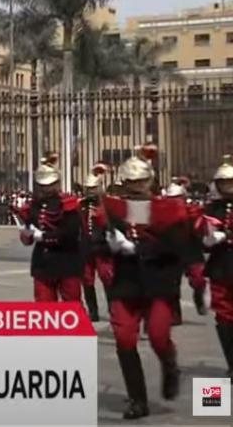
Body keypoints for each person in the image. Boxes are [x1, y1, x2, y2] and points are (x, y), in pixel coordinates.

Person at [102, 145, 185, 419]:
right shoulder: (113, 208)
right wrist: (109, 245)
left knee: (159, 336)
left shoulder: (168, 209)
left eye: (141, 181)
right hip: (126, 282)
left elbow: (175, 246)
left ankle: (169, 364)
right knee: (125, 338)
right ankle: (138, 399)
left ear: (150, 180)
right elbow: (96, 242)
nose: (136, 187)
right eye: (131, 182)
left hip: (158, 281)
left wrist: (136, 249)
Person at [19, 155, 83, 304]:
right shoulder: (34, 205)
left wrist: (44, 236)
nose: (45, 189)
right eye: (42, 185)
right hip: (43, 264)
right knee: (44, 306)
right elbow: (30, 227)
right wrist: (27, 235)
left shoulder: (67, 204)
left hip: (67, 261)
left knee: (72, 306)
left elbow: (71, 233)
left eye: (49, 185)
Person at [202, 155, 233, 382]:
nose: (228, 187)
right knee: (224, 318)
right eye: (223, 183)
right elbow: (201, 234)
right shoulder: (212, 207)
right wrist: (206, 239)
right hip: (221, 268)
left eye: (232, 182)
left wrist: (227, 236)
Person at [164, 177, 207, 320]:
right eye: (171, 198)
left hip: (191, 249)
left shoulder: (192, 210)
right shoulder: (163, 213)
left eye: (177, 198)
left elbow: (200, 224)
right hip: (172, 251)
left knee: (199, 278)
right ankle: (175, 314)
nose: (174, 201)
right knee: (172, 284)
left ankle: (199, 298)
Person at [79, 164, 111, 322]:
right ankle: (93, 310)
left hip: (103, 247)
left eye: (93, 189)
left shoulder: (108, 205)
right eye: (88, 189)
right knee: (87, 280)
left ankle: (113, 308)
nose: (90, 192)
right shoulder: (81, 206)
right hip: (86, 248)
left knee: (107, 278)